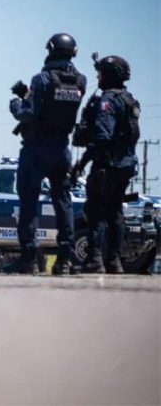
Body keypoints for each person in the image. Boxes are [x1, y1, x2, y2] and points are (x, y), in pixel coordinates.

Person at [7, 33, 87, 275]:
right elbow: (55, 107)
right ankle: (64, 259)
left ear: (50, 50)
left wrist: (16, 104)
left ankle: (28, 258)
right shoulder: (80, 81)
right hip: (62, 148)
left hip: (36, 149)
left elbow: (29, 114)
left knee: (29, 204)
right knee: (62, 202)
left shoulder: (41, 79)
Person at [72, 54, 140, 273]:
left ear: (109, 76)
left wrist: (81, 163)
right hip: (125, 164)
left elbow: (103, 137)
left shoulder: (108, 101)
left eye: (100, 73)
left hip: (107, 164)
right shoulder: (129, 100)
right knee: (115, 212)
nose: (98, 77)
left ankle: (95, 259)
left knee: (96, 211)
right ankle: (114, 261)